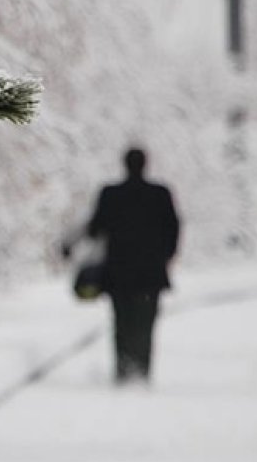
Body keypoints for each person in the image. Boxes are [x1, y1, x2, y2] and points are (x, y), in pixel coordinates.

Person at [65, 147, 180, 385]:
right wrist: (165, 257)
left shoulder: (111, 194)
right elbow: (173, 229)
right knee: (146, 323)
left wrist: (71, 245)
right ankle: (142, 370)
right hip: (151, 273)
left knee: (122, 321)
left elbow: (95, 227)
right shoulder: (160, 194)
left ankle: (123, 370)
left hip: (119, 272)